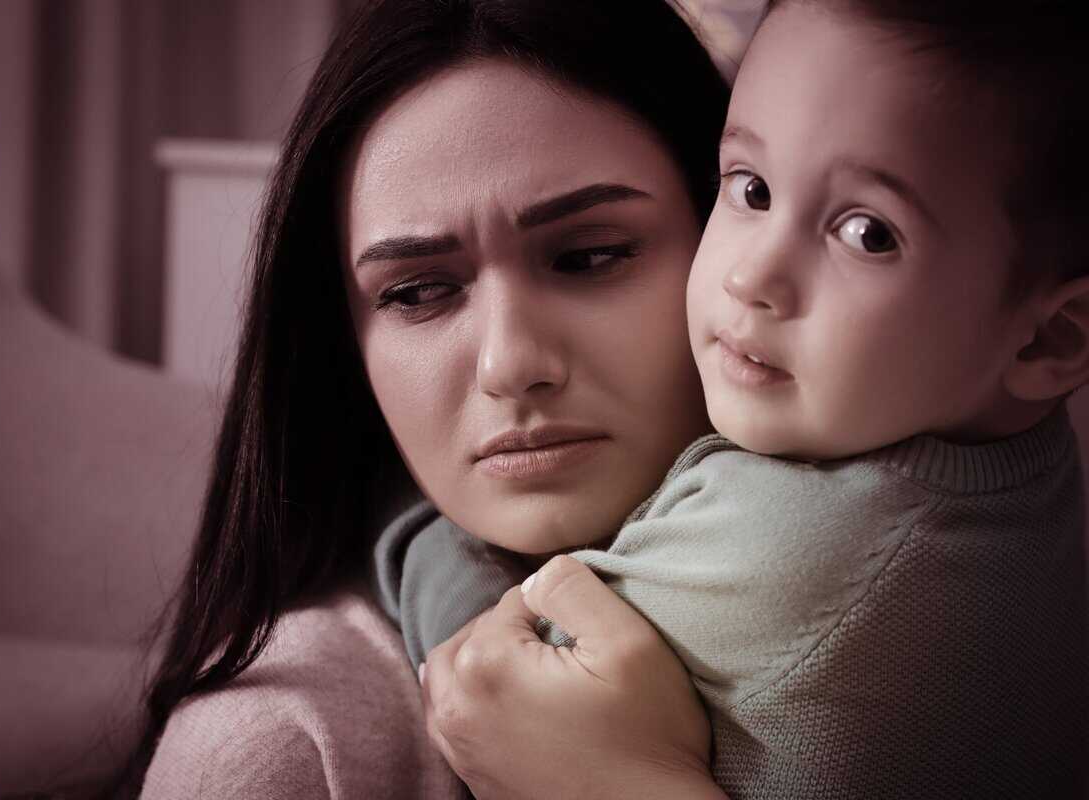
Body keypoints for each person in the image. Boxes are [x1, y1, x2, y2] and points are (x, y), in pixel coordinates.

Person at [395, 0, 1089, 797]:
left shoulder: (793, 550)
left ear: (1052, 342)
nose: (750, 276)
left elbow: (483, 687)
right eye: (751, 188)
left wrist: (419, 533)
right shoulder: (1010, 456)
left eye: (868, 234)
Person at [125, 0, 735, 797]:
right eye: (417, 292)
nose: (509, 363)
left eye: (588, 257)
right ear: (346, 349)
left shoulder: (929, 593)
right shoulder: (280, 750)